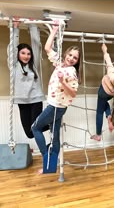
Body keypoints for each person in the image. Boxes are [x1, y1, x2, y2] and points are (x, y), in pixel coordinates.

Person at [31, 23, 80, 173]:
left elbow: (73, 93)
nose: (72, 59)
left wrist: (62, 82)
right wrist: (54, 30)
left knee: (35, 128)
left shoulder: (71, 72)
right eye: (70, 55)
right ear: (65, 54)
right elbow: (47, 48)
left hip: (55, 107)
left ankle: (46, 158)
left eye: (75, 58)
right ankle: (50, 168)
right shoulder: (60, 64)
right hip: (58, 107)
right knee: (54, 137)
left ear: (77, 62)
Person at [7, 20, 45, 139]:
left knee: (35, 127)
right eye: (23, 53)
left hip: (36, 100)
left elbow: (36, 45)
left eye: (28, 54)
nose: (26, 56)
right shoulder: (14, 66)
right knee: (29, 134)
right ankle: (52, 123)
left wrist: (32, 26)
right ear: (18, 54)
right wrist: (15, 28)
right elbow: (12, 48)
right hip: (22, 101)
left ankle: (52, 123)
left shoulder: (34, 66)